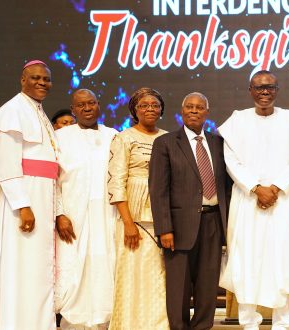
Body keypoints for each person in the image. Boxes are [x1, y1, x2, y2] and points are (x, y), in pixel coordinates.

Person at [218, 70, 289, 329]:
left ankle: (282, 322)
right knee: (246, 259)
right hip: (247, 201)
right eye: (259, 87)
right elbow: (232, 162)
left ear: (277, 90)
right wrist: (255, 188)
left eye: (270, 87)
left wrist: (275, 187)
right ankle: (249, 321)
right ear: (250, 90)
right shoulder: (237, 122)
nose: (265, 92)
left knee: (280, 258)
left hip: (282, 202)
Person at [0, 60, 58, 329]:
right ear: (22, 79)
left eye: (46, 79)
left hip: (42, 193)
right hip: (24, 197)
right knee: (20, 268)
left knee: (36, 270)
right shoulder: (12, 111)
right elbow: (7, 163)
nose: (41, 83)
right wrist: (23, 205)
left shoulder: (38, 111)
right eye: (35, 78)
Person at [149, 92, 231, 330]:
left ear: (207, 112)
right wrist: (164, 228)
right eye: (189, 107)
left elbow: (227, 185)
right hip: (178, 225)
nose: (194, 111)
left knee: (208, 285)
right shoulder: (165, 143)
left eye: (199, 107)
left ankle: (203, 327)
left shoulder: (218, 143)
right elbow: (158, 190)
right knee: (179, 288)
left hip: (213, 222)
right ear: (182, 111)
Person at [54, 89, 118, 329]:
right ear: (73, 110)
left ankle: (105, 320)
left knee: (105, 265)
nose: (87, 108)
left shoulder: (113, 135)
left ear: (99, 105)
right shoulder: (60, 137)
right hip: (73, 215)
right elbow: (54, 180)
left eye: (91, 103)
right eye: (81, 105)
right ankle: (73, 323)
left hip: (106, 215)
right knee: (73, 269)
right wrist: (59, 213)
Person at [107, 87, 169, 329]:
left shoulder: (167, 137)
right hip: (134, 217)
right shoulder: (123, 138)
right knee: (133, 273)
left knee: (159, 275)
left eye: (154, 105)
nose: (150, 109)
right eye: (144, 105)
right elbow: (116, 181)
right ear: (134, 110)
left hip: (162, 214)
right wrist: (128, 223)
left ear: (161, 109)